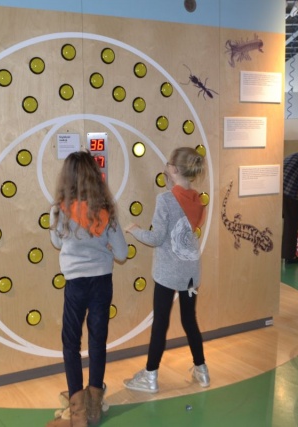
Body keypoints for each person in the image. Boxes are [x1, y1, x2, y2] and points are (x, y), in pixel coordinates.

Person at [47, 151, 127, 427]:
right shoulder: (106, 210)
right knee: (97, 340)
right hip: (102, 282)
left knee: (71, 344)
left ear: (66, 178)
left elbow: (57, 243)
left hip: (76, 284)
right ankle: (94, 408)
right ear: (95, 176)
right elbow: (122, 253)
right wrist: (104, 245)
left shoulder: (59, 209)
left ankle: (78, 414)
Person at [123, 147, 209, 394]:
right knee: (189, 320)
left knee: (160, 323)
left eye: (169, 163)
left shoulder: (166, 199)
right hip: (191, 272)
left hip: (169, 273)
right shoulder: (197, 198)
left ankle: (150, 376)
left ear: (173, 169)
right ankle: (202, 370)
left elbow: (156, 238)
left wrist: (134, 229)